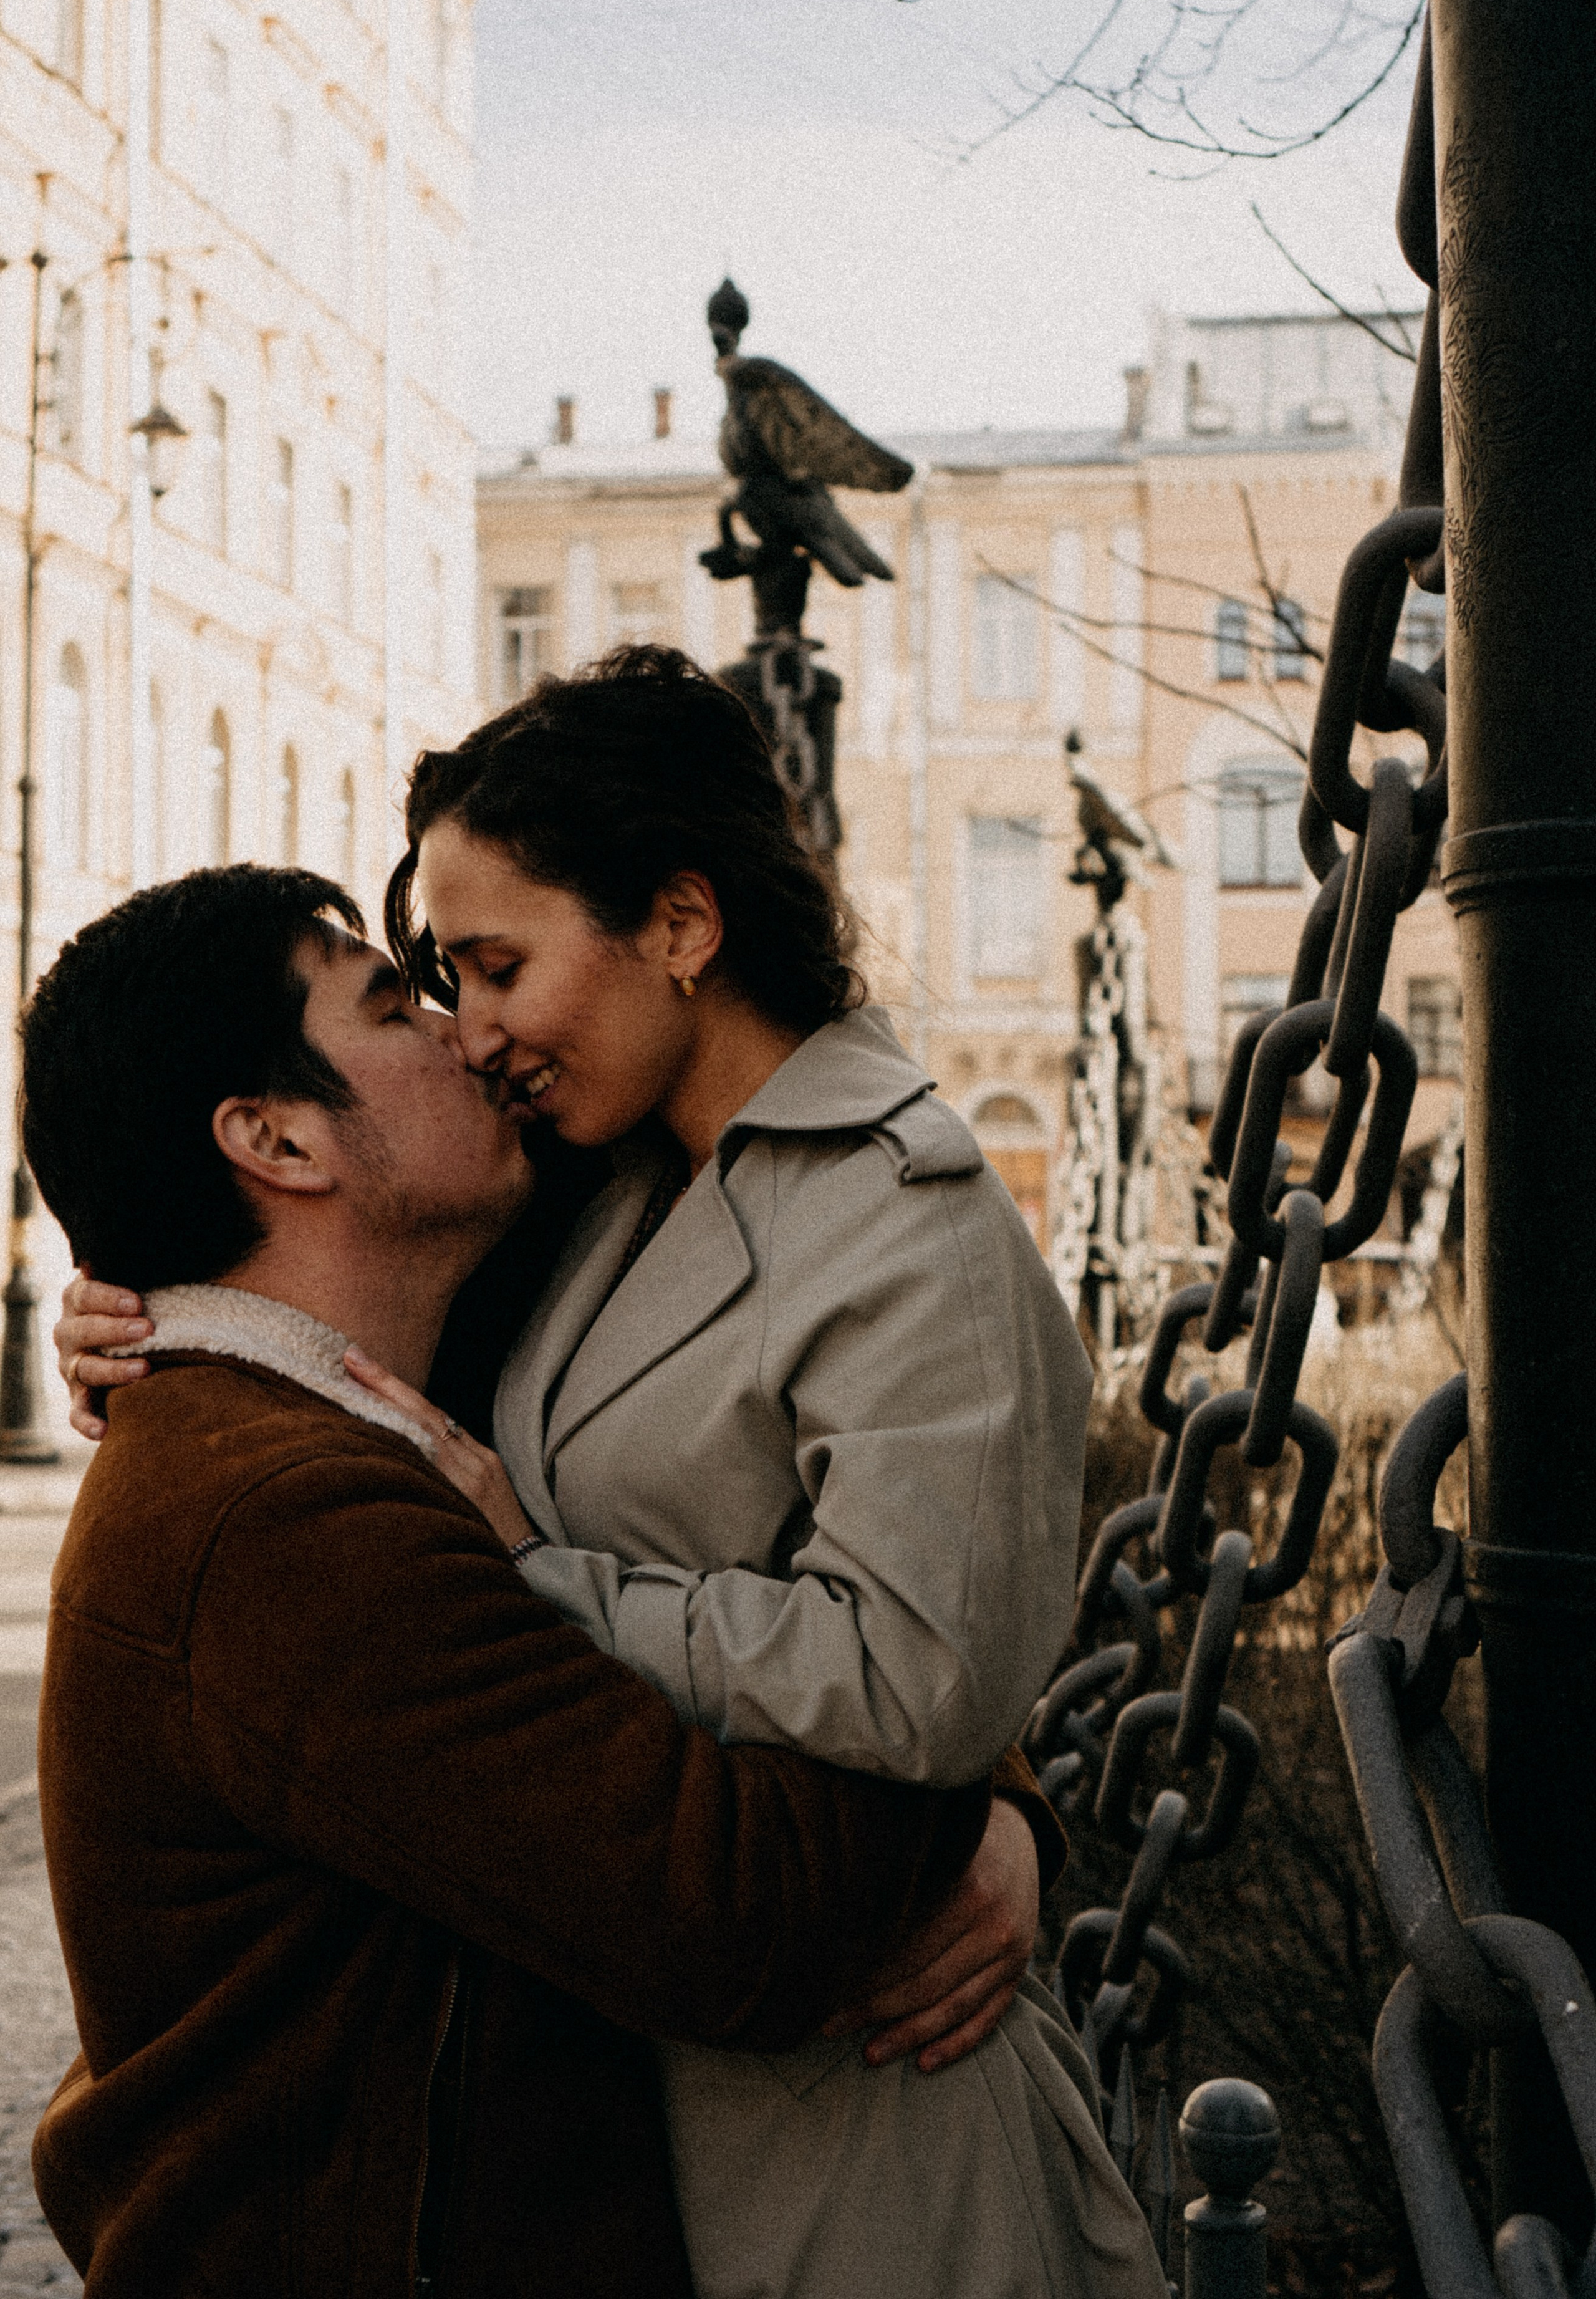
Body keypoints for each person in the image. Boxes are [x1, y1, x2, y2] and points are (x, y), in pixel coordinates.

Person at [59, 652, 1166, 2298]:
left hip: (878, 2122)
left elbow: (912, 1658)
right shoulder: (593, 1204)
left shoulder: (891, 1217)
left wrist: (986, 1799)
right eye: (427, 985)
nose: (467, 1031)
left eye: (492, 966)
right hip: (664, 2104)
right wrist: (152, 1299)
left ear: (679, 926)